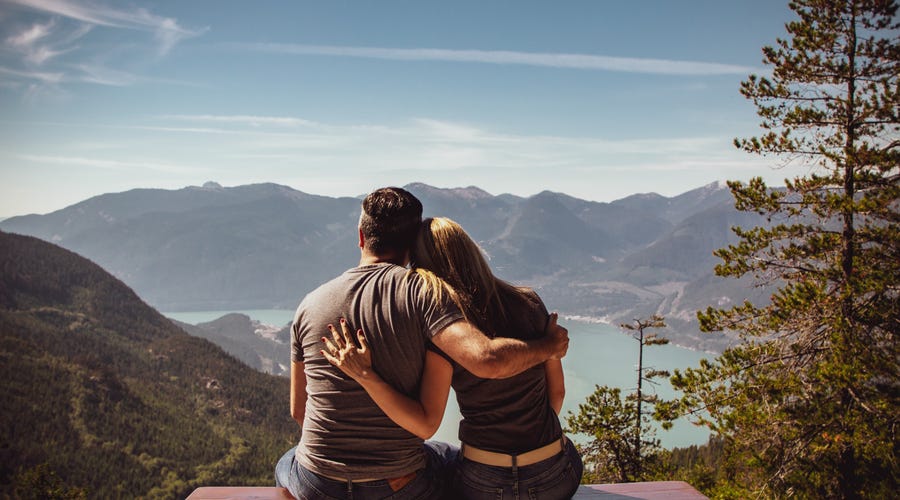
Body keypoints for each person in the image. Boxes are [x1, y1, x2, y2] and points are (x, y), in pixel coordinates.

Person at [275, 188, 569, 500]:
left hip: (318, 484)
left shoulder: (309, 305)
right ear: (411, 245)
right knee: (444, 455)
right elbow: (485, 362)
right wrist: (548, 347)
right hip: (399, 485)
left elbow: (300, 411)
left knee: (286, 462)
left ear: (361, 237)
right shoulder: (425, 295)